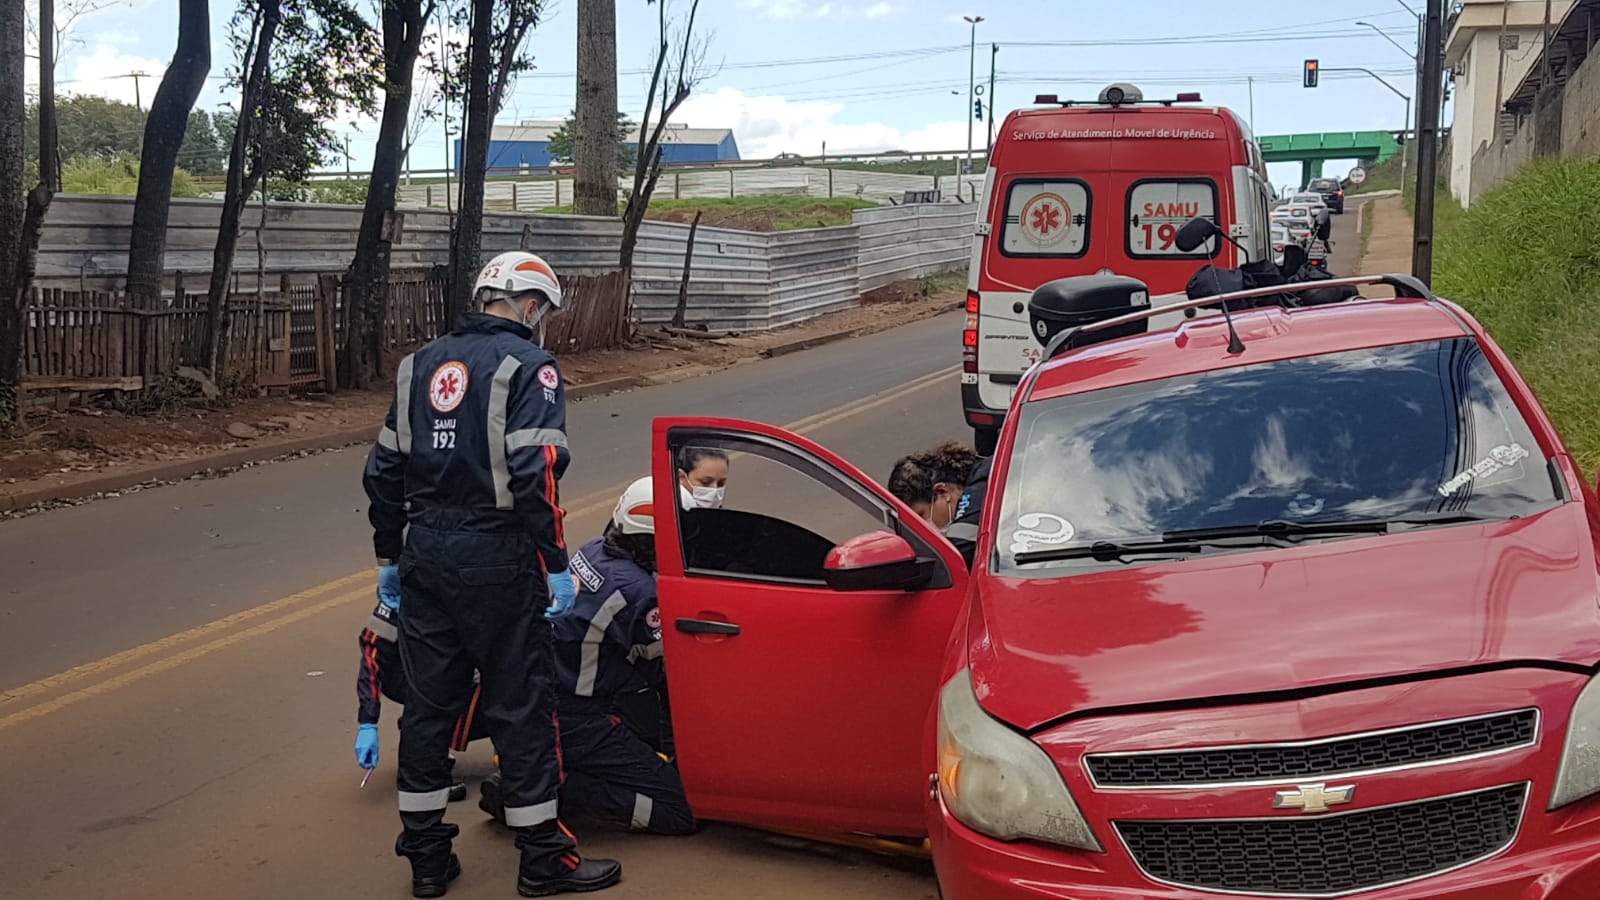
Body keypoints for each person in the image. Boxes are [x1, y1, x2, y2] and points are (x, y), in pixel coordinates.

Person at [363, 250, 621, 898]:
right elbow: (536, 475)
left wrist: (389, 555)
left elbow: (383, 471)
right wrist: (557, 565)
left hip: (425, 552)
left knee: (428, 709)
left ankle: (425, 861)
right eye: (543, 311)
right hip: (498, 556)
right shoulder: (530, 366)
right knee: (522, 706)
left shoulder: (416, 366)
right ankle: (543, 861)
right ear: (529, 305)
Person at [482, 477, 697, 836]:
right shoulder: (641, 593)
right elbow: (670, 666)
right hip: (581, 717)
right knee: (681, 810)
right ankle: (546, 791)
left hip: (544, 695)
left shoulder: (597, 549)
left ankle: (534, 770)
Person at [354, 587, 489, 802]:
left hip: (439, 667)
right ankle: (425, 758)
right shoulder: (398, 598)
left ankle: (423, 738)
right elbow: (372, 659)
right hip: (412, 675)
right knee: (484, 695)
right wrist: (368, 721)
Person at [886, 440, 989, 569]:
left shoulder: (983, 490)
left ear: (942, 492)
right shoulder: (987, 471)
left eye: (921, 517)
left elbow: (955, 559)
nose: (923, 530)